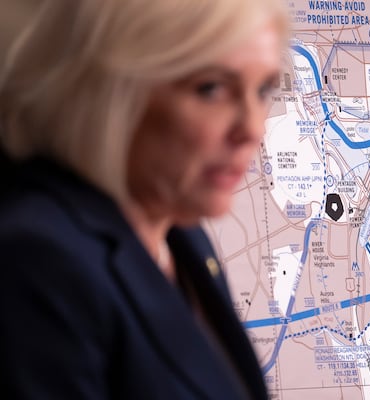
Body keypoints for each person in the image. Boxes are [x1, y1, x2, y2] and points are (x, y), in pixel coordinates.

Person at [0, 0, 287, 398]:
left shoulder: (180, 236)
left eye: (263, 89)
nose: (252, 128)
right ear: (111, 91)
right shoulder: (39, 261)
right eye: (212, 89)